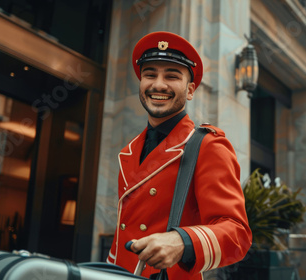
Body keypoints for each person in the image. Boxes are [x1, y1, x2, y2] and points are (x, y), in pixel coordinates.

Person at [106, 31, 252, 280]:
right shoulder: (128, 151)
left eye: (172, 76)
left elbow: (237, 234)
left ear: (191, 90)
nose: (158, 84)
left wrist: (182, 242)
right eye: (150, 74)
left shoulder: (208, 145)